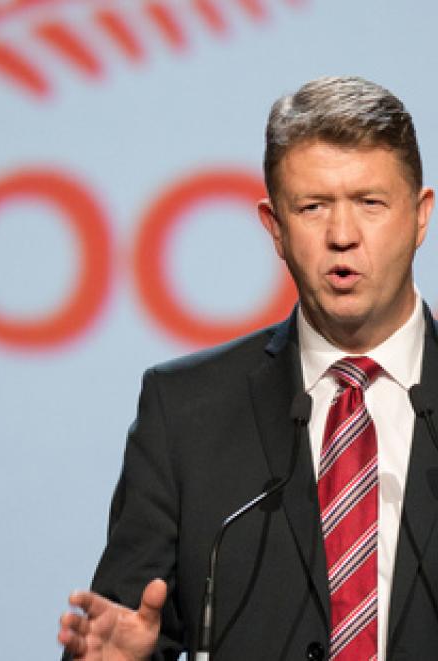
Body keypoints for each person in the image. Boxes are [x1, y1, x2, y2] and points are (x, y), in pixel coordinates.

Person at [58, 76, 438, 660]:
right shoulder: (184, 413)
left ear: (419, 217)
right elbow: (123, 632)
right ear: (275, 228)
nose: (342, 236)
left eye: (370, 203)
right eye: (312, 208)